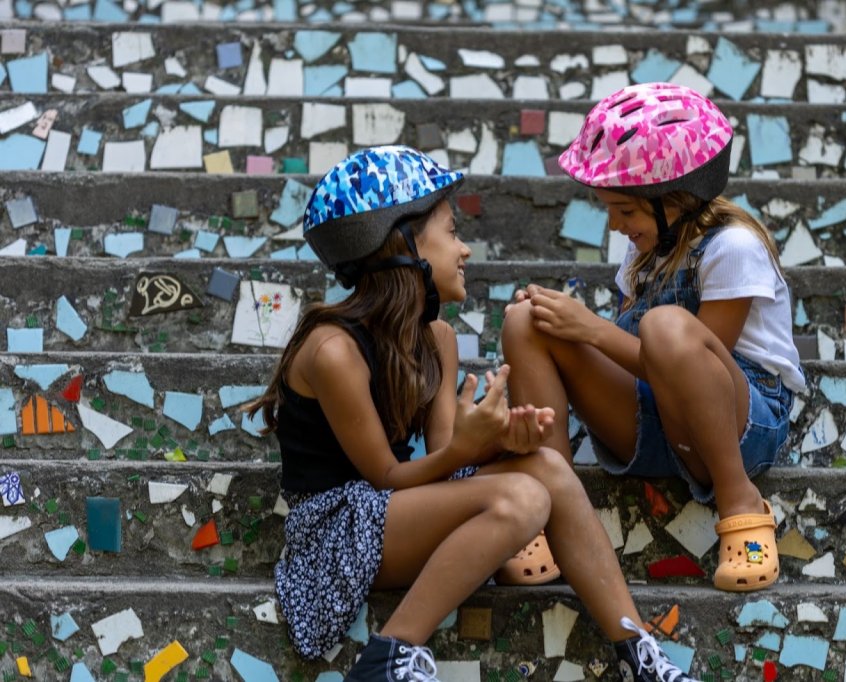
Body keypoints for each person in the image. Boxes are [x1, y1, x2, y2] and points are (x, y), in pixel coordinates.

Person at [248, 145, 700, 681]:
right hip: (334, 535)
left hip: (397, 514)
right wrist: (469, 450)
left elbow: (445, 458)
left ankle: (638, 653)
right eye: (451, 232)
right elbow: (385, 476)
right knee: (522, 498)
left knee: (548, 468)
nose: (464, 249)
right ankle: (388, 657)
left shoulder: (437, 339)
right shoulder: (333, 351)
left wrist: (497, 440)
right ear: (405, 245)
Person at [502, 83, 806, 594]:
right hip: (656, 421)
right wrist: (567, 325)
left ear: (675, 200)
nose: (614, 225)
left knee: (665, 326)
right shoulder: (645, 249)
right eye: (608, 209)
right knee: (525, 321)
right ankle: (547, 508)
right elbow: (636, 365)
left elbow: (684, 363)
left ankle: (740, 502)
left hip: (735, 426)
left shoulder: (733, 248)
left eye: (625, 211)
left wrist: (592, 328)